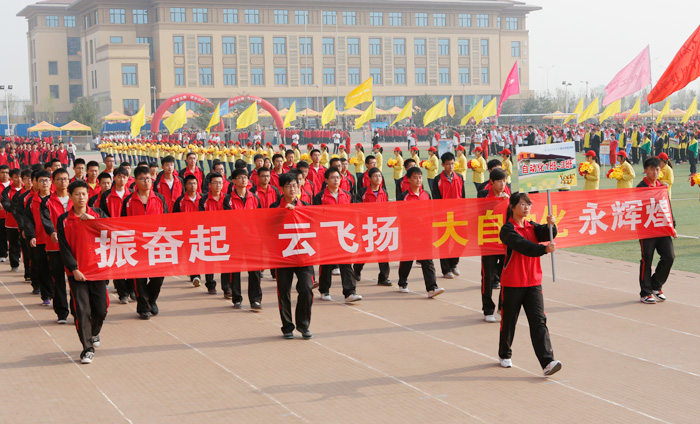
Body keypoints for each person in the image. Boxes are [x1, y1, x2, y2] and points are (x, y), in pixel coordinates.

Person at [498, 192, 561, 376]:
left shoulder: (531, 226)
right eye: (522, 204)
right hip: (513, 283)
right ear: (512, 207)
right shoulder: (507, 230)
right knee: (509, 321)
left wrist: (551, 225)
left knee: (539, 322)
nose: (526, 208)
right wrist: (543, 249)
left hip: (533, 283)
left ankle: (547, 362)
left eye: (528, 204)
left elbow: (546, 232)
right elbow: (523, 246)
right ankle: (505, 354)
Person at [57, 180, 109, 364]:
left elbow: (111, 233)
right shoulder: (63, 220)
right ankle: (87, 348)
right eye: (77, 194)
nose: (81, 197)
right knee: (81, 311)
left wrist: (94, 222)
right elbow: (64, 247)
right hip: (77, 273)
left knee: (101, 310)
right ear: (70, 196)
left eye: (84, 194)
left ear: (89, 195)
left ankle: (94, 332)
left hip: (97, 270)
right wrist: (74, 268)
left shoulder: (98, 214)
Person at [121, 166, 168, 320]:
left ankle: (152, 300)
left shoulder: (159, 199)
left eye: (148, 179)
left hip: (157, 244)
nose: (146, 182)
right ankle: (143, 308)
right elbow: (123, 223)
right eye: (142, 179)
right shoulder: (128, 201)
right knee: (139, 278)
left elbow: (168, 222)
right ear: (135, 181)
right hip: (136, 246)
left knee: (158, 276)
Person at [270, 173, 314, 339]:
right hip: (283, 256)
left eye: (295, 185)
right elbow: (269, 229)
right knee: (284, 291)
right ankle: (287, 326)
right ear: (282, 189)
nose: (292, 189)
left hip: (303, 255)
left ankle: (303, 325)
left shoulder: (307, 206)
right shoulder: (274, 207)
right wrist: (283, 214)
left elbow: (314, 227)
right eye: (288, 186)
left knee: (306, 289)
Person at [313, 167, 362, 303]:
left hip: (344, 233)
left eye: (338, 177)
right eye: (333, 177)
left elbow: (353, 214)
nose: (336, 180)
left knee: (346, 262)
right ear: (326, 180)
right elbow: (315, 217)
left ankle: (350, 292)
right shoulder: (320, 197)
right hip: (327, 235)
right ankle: (324, 290)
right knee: (327, 264)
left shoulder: (347, 195)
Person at [396, 167, 445, 298]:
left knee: (427, 260)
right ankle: (402, 282)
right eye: (415, 177)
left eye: (420, 177)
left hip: (425, 233)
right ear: (409, 179)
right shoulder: (403, 197)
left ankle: (431, 288)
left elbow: (431, 212)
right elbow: (401, 215)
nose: (418, 180)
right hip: (410, 233)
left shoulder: (426, 195)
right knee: (407, 258)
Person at [637, 157, 676, 304]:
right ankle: (645, 292)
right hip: (646, 230)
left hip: (662, 229)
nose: (655, 172)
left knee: (669, 257)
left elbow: (667, 208)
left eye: (658, 169)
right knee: (647, 260)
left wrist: (673, 226)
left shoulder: (662, 187)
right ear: (646, 170)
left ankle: (656, 284)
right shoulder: (640, 188)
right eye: (652, 169)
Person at [40, 168, 73, 324]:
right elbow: (46, 220)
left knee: (76, 280)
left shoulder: (76, 198)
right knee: (58, 280)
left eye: (65, 179)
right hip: (55, 247)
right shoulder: (47, 202)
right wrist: (52, 232)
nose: (62, 182)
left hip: (75, 247)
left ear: (69, 180)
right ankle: (61, 312)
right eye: (59, 179)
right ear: (53, 182)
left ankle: (77, 310)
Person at [228, 168, 264, 309]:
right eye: (240, 177)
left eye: (245, 177)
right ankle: (237, 297)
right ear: (234, 181)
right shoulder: (228, 200)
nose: (244, 180)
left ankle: (255, 299)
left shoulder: (254, 198)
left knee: (254, 270)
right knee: (235, 270)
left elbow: (259, 218)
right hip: (235, 239)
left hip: (252, 239)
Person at [477, 168, 509, 322]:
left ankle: (503, 307)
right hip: (488, 241)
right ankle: (488, 309)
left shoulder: (508, 194)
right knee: (488, 277)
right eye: (499, 181)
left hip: (503, 243)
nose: (503, 184)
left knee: (506, 276)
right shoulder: (483, 194)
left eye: (504, 181)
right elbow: (479, 211)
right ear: (492, 182)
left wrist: (508, 201)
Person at [353, 167, 391, 286]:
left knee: (383, 251)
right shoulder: (362, 193)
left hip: (381, 226)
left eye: (379, 176)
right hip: (367, 226)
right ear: (369, 178)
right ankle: (357, 270)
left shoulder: (383, 192)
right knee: (366, 251)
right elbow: (358, 209)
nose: (378, 178)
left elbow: (386, 209)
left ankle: (383, 277)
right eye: (375, 176)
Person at [431, 152, 466, 279]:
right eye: (448, 164)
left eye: (452, 163)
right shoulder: (437, 180)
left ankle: (454, 263)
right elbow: (436, 198)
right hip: (444, 216)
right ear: (442, 165)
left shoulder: (460, 177)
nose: (450, 166)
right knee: (444, 242)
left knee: (461, 240)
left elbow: (463, 197)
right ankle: (446, 270)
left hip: (458, 215)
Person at [24, 170, 53, 306]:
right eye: (41, 180)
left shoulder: (55, 198)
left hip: (55, 240)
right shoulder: (31, 200)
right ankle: (46, 295)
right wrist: (31, 236)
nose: (44, 183)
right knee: (42, 268)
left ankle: (56, 292)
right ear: (36, 183)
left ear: (50, 182)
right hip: (39, 239)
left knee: (55, 268)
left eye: (46, 180)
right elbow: (28, 220)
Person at [1, 168, 25, 273]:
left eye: (20, 177)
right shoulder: (7, 190)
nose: (18, 179)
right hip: (11, 223)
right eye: (16, 177)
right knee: (13, 244)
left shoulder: (26, 189)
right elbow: (6, 204)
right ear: (12, 178)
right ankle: (14, 265)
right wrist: (16, 210)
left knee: (25, 245)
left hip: (25, 223)